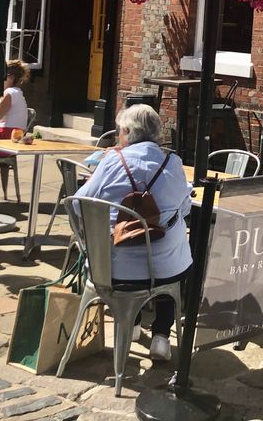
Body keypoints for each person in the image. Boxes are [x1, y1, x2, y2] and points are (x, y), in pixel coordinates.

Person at [74, 104, 191, 362]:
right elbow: (184, 208)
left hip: (114, 269)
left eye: (119, 132)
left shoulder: (112, 161)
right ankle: (161, 335)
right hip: (166, 268)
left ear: (126, 131)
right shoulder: (174, 163)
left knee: (134, 261)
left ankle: (133, 325)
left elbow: (77, 204)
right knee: (171, 252)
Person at [0, 60, 30, 137]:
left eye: (0, 77)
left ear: (11, 78)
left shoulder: (9, 93)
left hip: (4, 137)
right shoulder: (17, 92)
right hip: (13, 136)